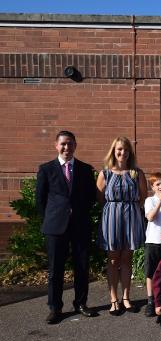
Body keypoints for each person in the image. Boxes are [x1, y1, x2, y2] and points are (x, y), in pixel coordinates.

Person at [35, 130, 96, 324]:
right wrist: (53, 217)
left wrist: (77, 212)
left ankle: (80, 303)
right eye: (63, 144)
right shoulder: (46, 169)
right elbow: (40, 200)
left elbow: (91, 198)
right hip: (55, 227)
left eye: (70, 144)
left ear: (75, 145)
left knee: (82, 266)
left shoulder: (86, 169)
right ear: (56, 146)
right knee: (55, 269)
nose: (66, 148)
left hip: (79, 226)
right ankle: (55, 307)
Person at [97, 136, 146, 315]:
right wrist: (113, 209)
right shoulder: (105, 173)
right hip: (111, 218)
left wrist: (130, 210)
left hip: (131, 217)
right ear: (113, 151)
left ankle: (126, 297)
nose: (122, 153)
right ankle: (113, 299)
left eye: (125, 150)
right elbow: (100, 198)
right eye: (119, 149)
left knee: (126, 259)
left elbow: (143, 197)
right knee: (112, 260)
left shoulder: (136, 173)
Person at [143, 172, 161, 317]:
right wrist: (160, 201)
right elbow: (151, 217)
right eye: (157, 184)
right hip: (153, 241)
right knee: (151, 273)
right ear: (152, 187)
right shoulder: (150, 200)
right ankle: (151, 301)